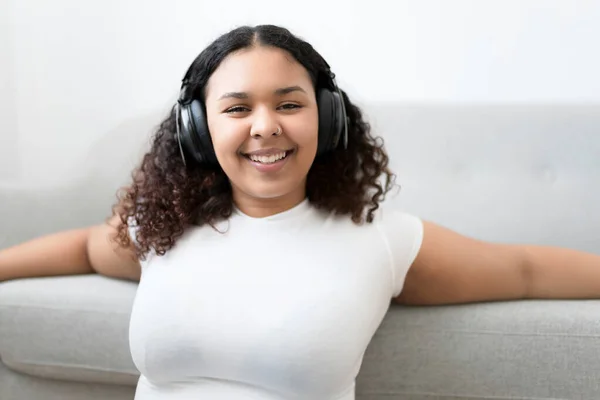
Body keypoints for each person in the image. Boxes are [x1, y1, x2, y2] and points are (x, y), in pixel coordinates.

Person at [0, 24, 599, 400]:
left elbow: (522, 268)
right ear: (198, 130)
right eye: (237, 108)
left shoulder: (378, 240)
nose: (266, 127)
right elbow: (84, 248)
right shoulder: (166, 228)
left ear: (327, 118)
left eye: (290, 103)